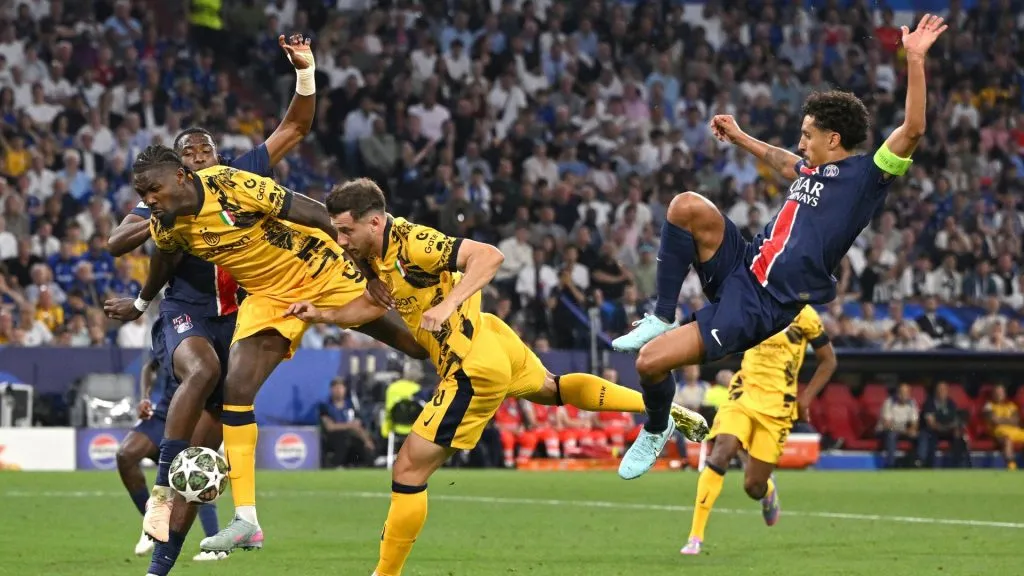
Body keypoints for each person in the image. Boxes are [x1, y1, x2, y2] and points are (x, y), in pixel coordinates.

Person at [283, 178, 707, 576]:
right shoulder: (378, 255)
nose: (341, 240)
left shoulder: (414, 242)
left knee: (408, 470)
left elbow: (489, 256)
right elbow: (373, 304)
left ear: (375, 222)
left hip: (471, 366)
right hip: (490, 338)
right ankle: (660, 409)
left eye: (346, 231)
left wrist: (447, 305)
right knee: (553, 388)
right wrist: (322, 314)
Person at [610, 15, 946, 480]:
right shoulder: (811, 170)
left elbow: (913, 129)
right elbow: (783, 161)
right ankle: (662, 315)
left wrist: (914, 60)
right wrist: (740, 137)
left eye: (808, 134)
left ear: (833, 139)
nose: (801, 142)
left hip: (761, 305)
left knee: (649, 362)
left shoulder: (867, 178)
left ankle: (655, 426)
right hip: (744, 263)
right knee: (686, 205)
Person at [104, 147, 426, 568]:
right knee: (236, 388)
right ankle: (245, 519)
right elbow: (157, 259)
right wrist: (142, 302)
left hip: (323, 271)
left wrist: (367, 271)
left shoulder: (231, 183)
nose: (148, 199)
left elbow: (315, 213)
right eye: (141, 193)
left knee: (416, 344)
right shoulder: (166, 225)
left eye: (153, 189)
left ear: (181, 176)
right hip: (270, 297)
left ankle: (481, 359)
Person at [106, 34, 319, 568]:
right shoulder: (162, 199)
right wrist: (160, 218)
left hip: (240, 319)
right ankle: (158, 491)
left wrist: (305, 72)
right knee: (200, 370)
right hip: (188, 312)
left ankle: (160, 563)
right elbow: (116, 241)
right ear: (176, 168)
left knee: (199, 463)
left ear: (217, 157)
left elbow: (294, 127)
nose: (198, 156)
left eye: (205, 150)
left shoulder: (240, 177)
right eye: (188, 152)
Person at [680, 306, 836, 555]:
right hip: (743, 394)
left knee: (753, 486)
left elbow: (828, 360)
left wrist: (806, 398)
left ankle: (768, 490)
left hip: (777, 408)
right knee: (721, 451)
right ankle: (695, 537)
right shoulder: (755, 301)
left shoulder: (805, 315)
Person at [115, 356, 221, 560]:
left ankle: (215, 544)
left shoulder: (214, 339)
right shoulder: (166, 336)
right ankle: (154, 521)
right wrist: (145, 397)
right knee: (125, 455)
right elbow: (149, 366)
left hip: (199, 412)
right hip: (165, 412)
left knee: (195, 473)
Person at [319, 378, 376, 468]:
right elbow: (330, 427)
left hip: (352, 434)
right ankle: (336, 464)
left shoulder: (350, 405)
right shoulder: (325, 406)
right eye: (336, 388)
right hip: (334, 436)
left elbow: (357, 424)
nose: (339, 391)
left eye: (341, 388)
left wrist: (367, 440)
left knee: (366, 438)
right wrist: (349, 426)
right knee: (343, 438)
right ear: (331, 390)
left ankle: (366, 464)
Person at [984, 384, 1023, 470]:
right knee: (1007, 439)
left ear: (1004, 393)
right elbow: (994, 421)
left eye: (1001, 392)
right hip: (999, 431)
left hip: (1015, 431)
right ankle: (1011, 466)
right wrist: (1009, 420)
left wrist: (1000, 419)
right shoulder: (989, 405)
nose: (999, 394)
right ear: (993, 394)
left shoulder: (1011, 405)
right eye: (997, 392)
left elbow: (1016, 421)